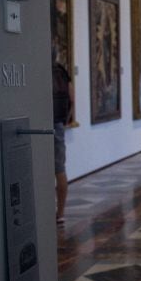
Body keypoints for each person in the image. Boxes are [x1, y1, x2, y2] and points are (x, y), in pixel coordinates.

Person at [52, 53, 75, 221]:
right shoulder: (61, 70)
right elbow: (72, 99)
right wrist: (67, 118)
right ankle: (60, 213)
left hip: (40, 124)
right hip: (58, 123)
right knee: (59, 169)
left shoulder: (37, 70)